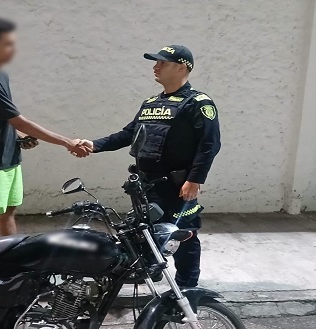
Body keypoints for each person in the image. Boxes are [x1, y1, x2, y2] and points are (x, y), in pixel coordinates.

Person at [76, 45, 221, 287]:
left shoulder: (197, 103)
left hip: (177, 186)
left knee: (183, 236)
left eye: (162, 62)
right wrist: (94, 145)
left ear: (182, 67)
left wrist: (195, 180)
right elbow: (128, 134)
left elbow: (210, 144)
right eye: (156, 62)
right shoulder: (151, 103)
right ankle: (151, 274)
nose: (156, 66)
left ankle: (187, 288)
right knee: (145, 233)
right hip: (145, 185)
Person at [0, 17, 90, 236]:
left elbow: (5, 117)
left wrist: (19, 136)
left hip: (9, 155)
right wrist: (67, 142)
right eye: (6, 44)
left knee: (7, 211)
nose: (12, 50)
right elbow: (18, 120)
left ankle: (9, 253)